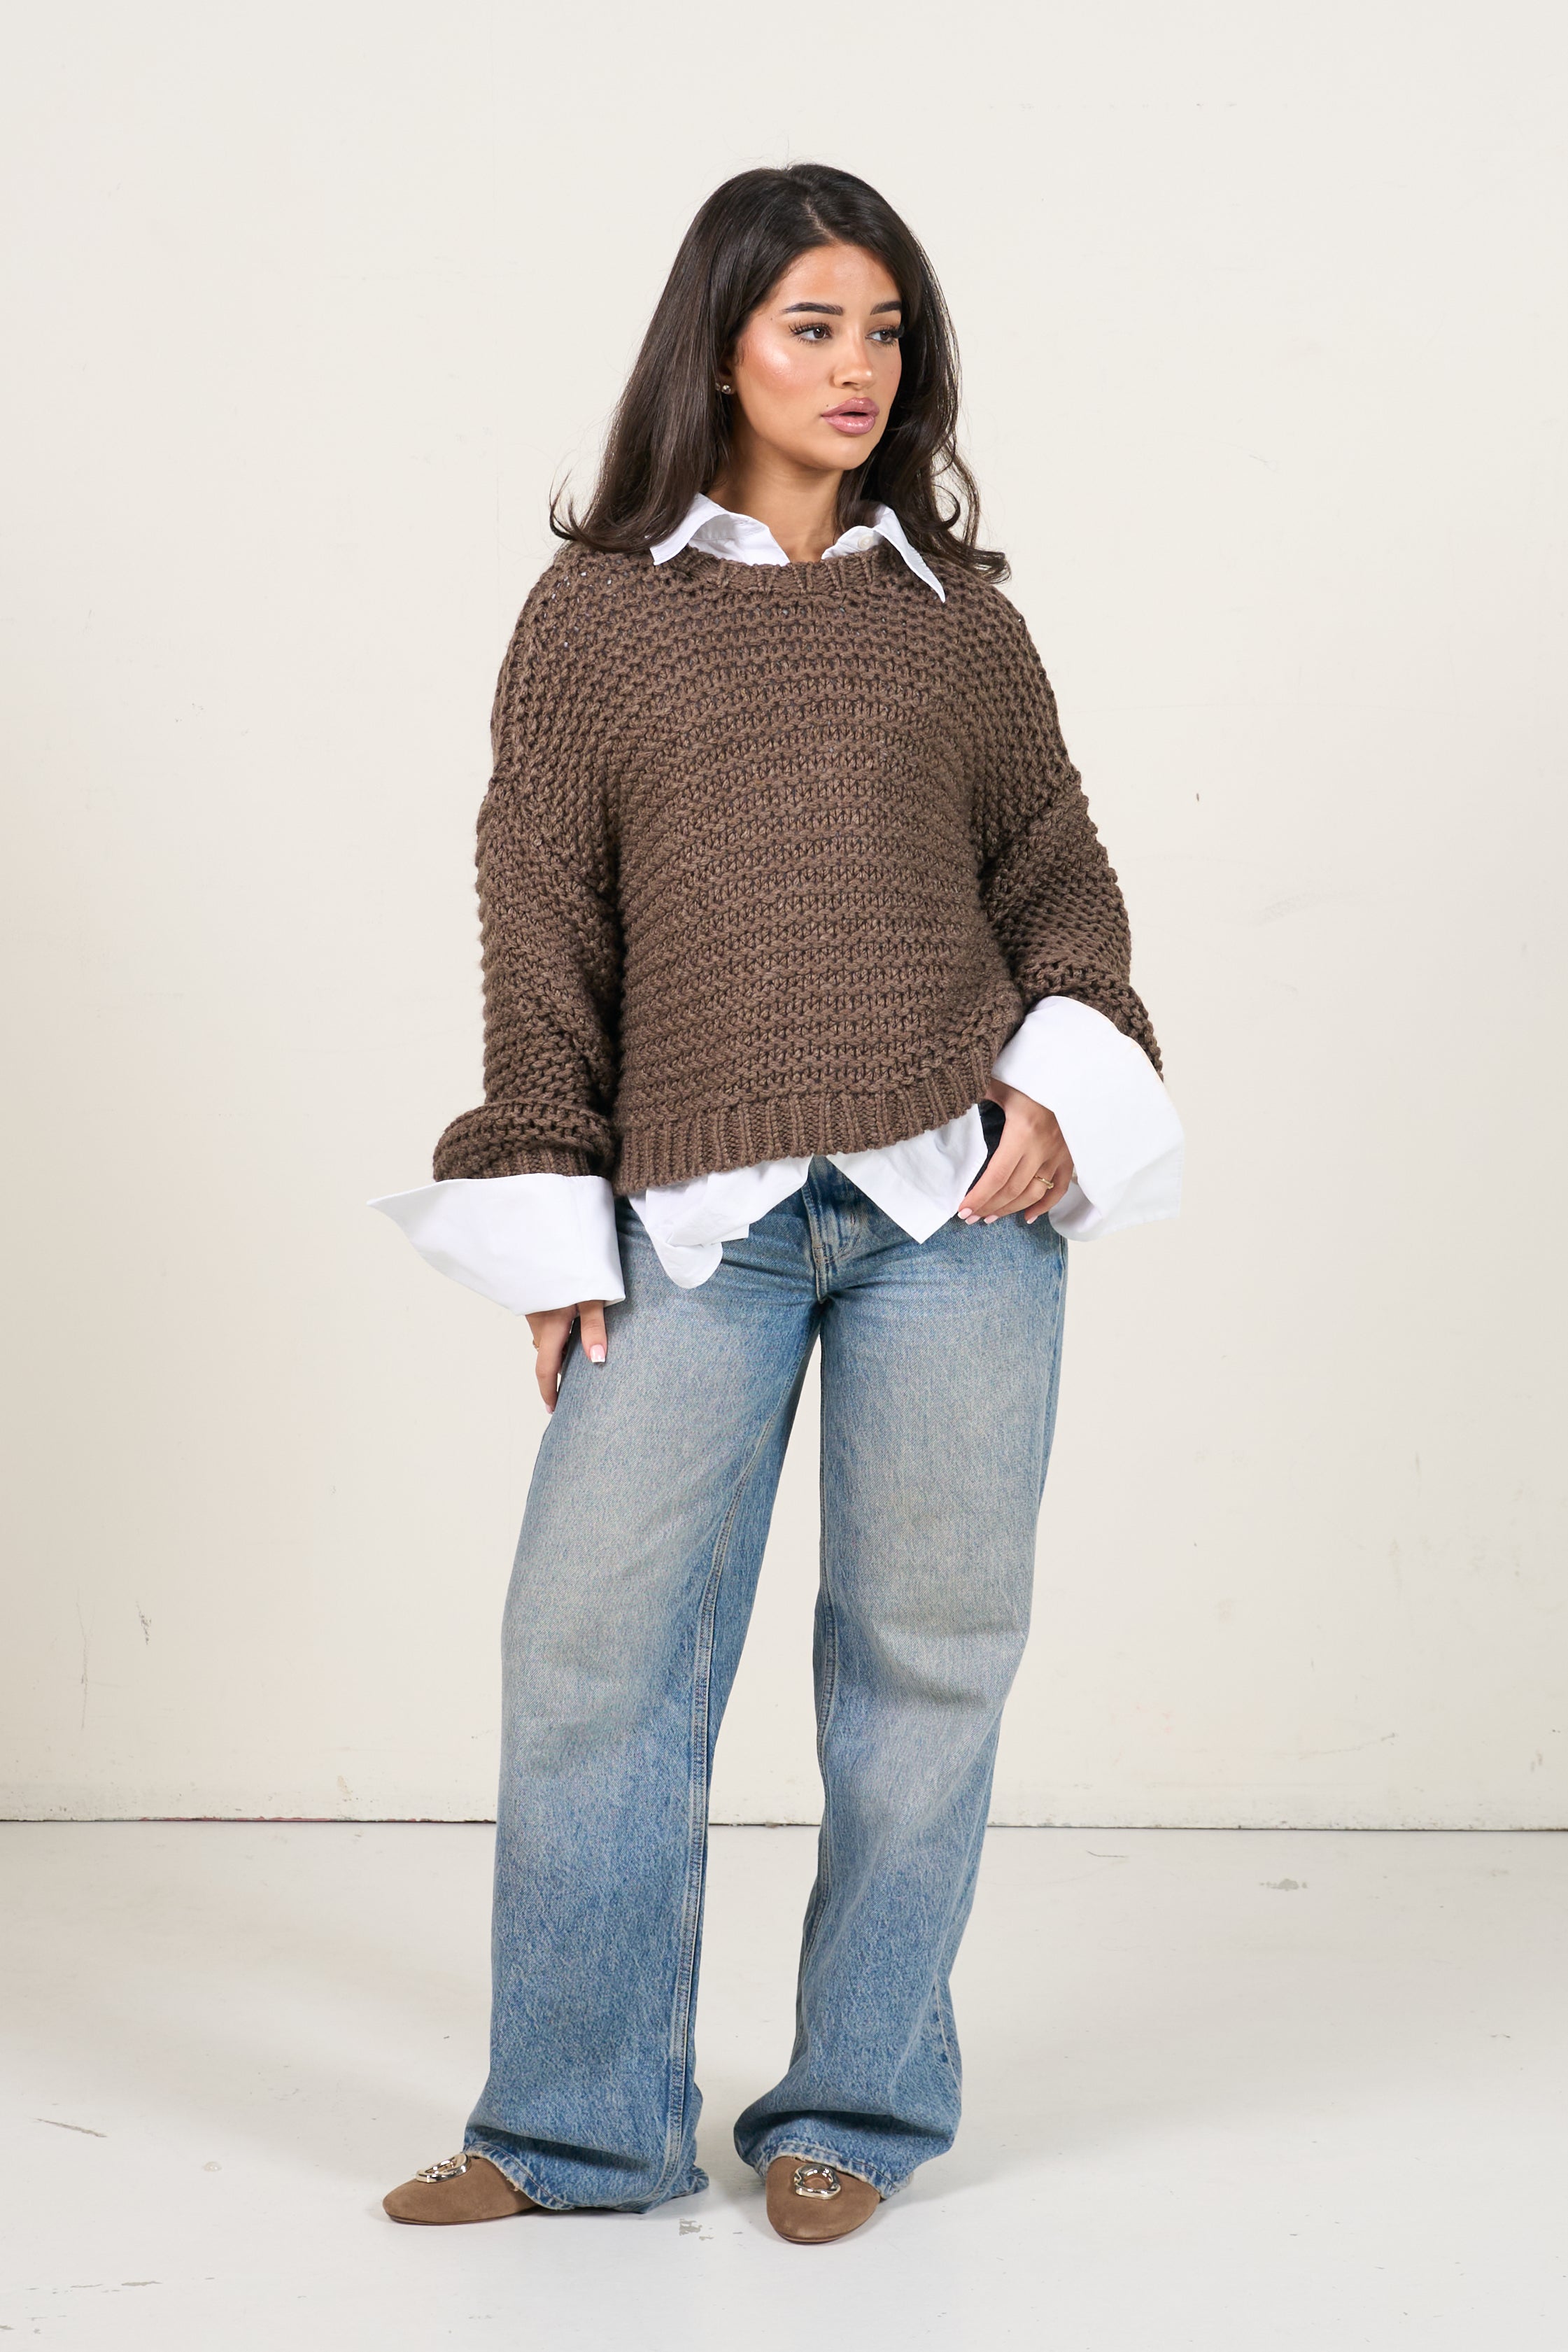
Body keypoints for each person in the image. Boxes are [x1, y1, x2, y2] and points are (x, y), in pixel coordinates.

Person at [372, 162, 1182, 2245]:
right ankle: (576, 2130)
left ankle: (855, 2111)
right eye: (813, 324)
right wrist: (545, 1200)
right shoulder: (598, 615)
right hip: (694, 1219)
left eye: (884, 329)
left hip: (953, 1212)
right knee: (592, 1656)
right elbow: (541, 927)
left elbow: (1058, 877)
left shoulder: (954, 617)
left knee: (927, 1664)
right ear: (717, 345)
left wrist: (1063, 1072)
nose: (856, 366)